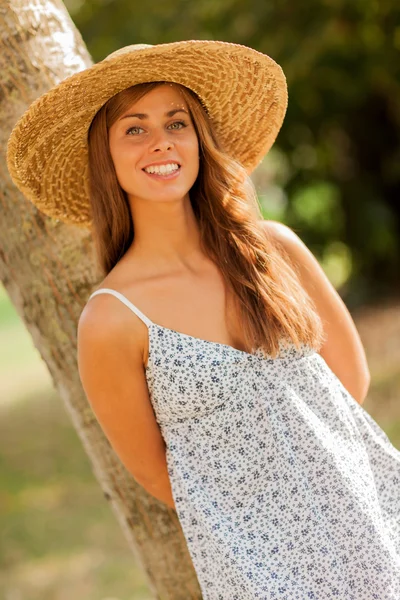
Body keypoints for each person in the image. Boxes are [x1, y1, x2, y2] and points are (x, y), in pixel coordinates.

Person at [7, 40, 400, 600]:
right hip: (262, 569)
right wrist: (261, 521)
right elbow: (157, 477)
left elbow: (349, 383)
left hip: (373, 511)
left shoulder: (274, 250)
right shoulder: (114, 319)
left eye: (177, 122)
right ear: (107, 157)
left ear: (199, 138)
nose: (161, 142)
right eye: (134, 129)